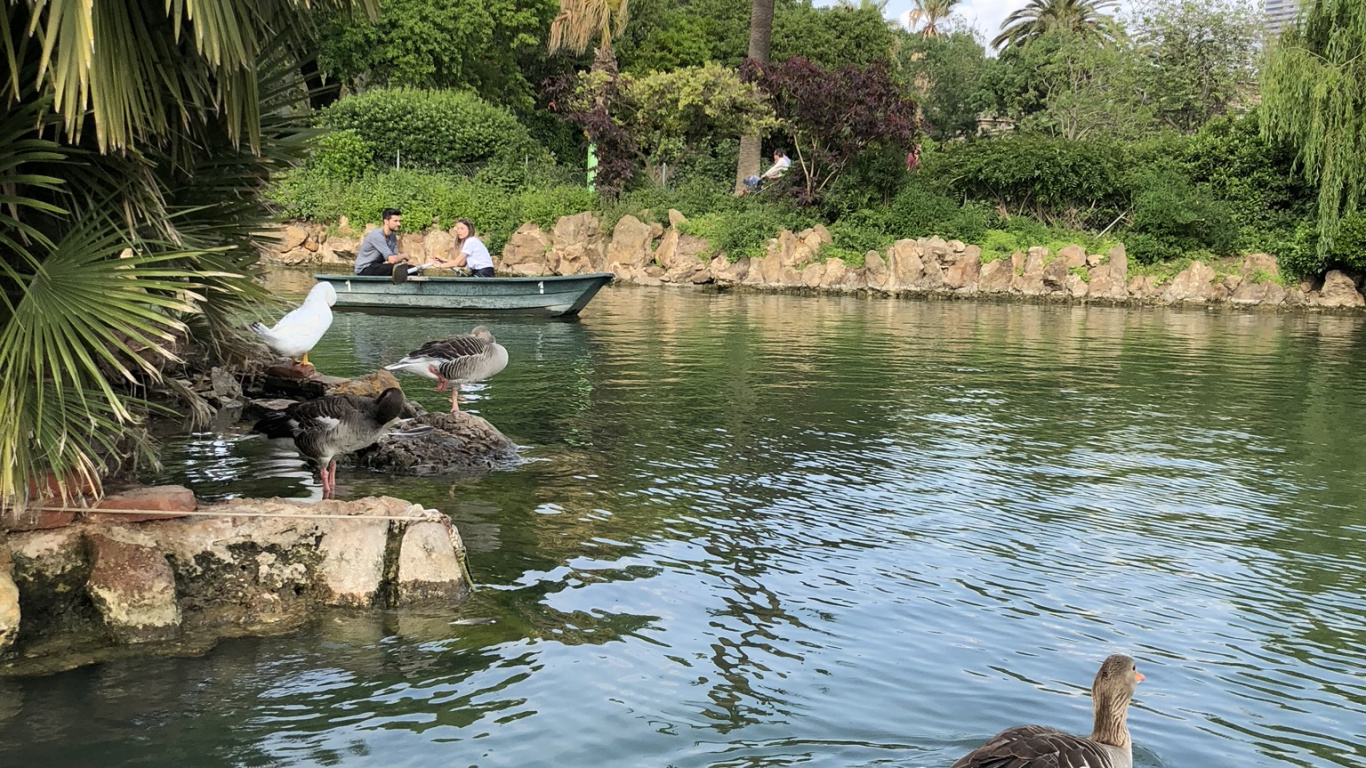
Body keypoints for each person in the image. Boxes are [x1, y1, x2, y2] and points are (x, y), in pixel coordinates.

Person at [354, 208, 416, 281]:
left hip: (376, 266)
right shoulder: (377, 236)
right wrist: (404, 255)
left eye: (399, 221)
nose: (399, 224)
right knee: (401, 269)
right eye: (395, 221)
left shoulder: (392, 236)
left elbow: (396, 259)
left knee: (412, 269)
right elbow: (392, 260)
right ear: (386, 221)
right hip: (364, 269)